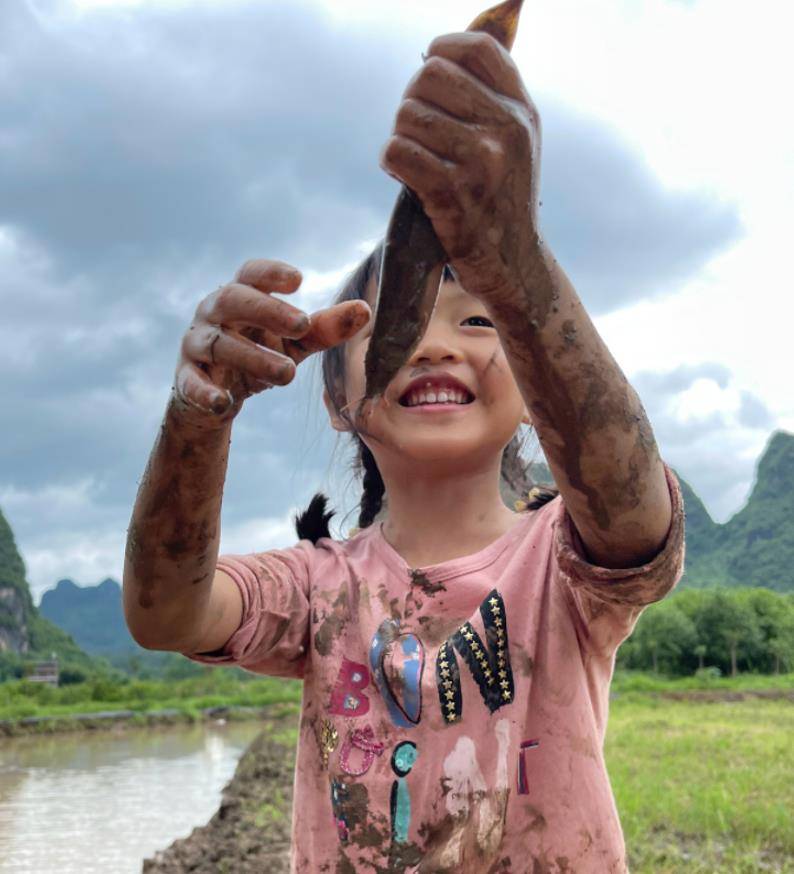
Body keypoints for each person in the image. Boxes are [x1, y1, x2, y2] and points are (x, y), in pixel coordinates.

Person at [123, 29, 685, 874]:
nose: (434, 345)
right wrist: (194, 424)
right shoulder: (317, 587)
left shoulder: (564, 560)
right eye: (398, 323)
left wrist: (519, 268)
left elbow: (634, 512)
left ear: (533, 383)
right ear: (339, 399)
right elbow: (166, 613)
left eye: (478, 318)